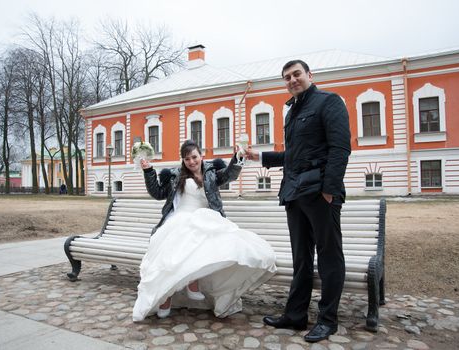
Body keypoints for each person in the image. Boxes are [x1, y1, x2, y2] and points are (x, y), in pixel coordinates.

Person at [245, 60, 351, 343]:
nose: (292, 80)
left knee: (329, 256)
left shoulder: (329, 103)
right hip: (294, 193)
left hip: (320, 193)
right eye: (287, 77)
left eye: (296, 74)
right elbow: (293, 156)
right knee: (301, 258)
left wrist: (329, 190)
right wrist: (261, 157)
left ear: (309, 75)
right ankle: (295, 316)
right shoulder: (292, 112)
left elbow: (341, 149)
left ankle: (327, 320)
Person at [132, 139, 276, 321]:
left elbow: (230, 175)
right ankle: (165, 298)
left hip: (205, 217)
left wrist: (238, 157)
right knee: (174, 244)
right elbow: (158, 193)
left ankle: (192, 284)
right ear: (182, 161)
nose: (191, 162)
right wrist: (148, 170)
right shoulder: (176, 175)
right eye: (187, 159)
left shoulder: (211, 173)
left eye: (194, 157)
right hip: (179, 217)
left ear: (201, 155)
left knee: (202, 238)